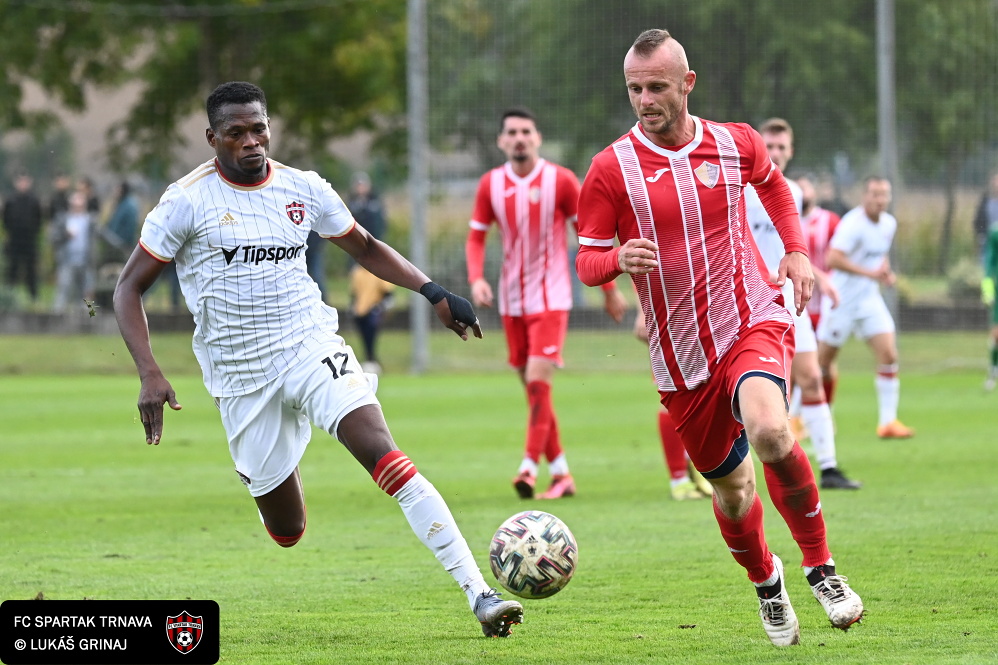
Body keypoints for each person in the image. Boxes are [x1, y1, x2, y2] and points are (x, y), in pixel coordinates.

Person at [113, 81, 523, 638]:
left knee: (383, 453)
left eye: (259, 128)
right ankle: (278, 453)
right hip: (240, 377)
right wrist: (150, 372)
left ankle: (479, 594)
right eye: (236, 133)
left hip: (310, 345)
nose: (251, 141)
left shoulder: (303, 187)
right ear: (212, 138)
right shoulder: (185, 201)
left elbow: (365, 246)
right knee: (288, 530)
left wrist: (433, 292)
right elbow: (128, 288)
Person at [575, 29, 863, 646]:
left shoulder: (734, 142)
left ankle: (822, 569)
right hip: (681, 359)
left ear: (688, 84)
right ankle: (767, 581)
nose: (645, 100)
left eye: (657, 87)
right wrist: (617, 258)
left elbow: (775, 186)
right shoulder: (609, 169)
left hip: (749, 319)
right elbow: (587, 260)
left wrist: (795, 250)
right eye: (634, 89)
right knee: (733, 494)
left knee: (770, 431)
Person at [465, 107, 627, 500]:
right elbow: (476, 238)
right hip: (511, 302)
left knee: (538, 384)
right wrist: (476, 279)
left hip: (552, 298)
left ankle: (528, 467)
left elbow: (589, 236)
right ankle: (561, 474)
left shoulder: (561, 180)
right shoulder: (490, 184)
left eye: (526, 131)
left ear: (537, 137)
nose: (519, 138)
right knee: (535, 392)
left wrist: (608, 290)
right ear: (501, 141)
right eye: (511, 132)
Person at [745, 120, 859, 491]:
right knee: (756, 393)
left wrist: (819, 277)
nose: (775, 153)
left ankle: (829, 467)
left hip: (789, 300)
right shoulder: (740, 188)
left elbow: (793, 248)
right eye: (769, 146)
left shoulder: (791, 191)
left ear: (791, 151)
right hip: (750, 303)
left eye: (782, 147)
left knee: (811, 377)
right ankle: (739, 474)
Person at [816, 176, 914, 439]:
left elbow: (878, 255)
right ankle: (813, 417)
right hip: (842, 300)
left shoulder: (889, 224)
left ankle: (888, 423)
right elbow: (832, 259)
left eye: (884, 194)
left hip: (869, 300)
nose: (880, 200)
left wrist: (885, 273)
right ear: (864, 196)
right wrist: (870, 274)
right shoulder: (852, 224)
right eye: (875, 194)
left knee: (889, 355)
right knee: (822, 363)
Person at [633, 307, 712, 501]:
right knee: (674, 394)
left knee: (707, 395)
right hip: (671, 313)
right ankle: (679, 479)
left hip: (710, 312)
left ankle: (699, 466)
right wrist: (642, 311)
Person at [346, 171, 391, 372]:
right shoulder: (352, 206)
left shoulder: (375, 205)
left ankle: (372, 358)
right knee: (360, 312)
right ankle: (369, 357)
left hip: (373, 256)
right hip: (357, 257)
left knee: (373, 314)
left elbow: (379, 228)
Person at [797, 174, 841, 332]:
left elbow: (841, 256)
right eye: (795, 189)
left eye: (803, 189)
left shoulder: (830, 220)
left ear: (814, 191)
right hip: (796, 301)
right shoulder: (781, 223)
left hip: (826, 299)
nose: (800, 194)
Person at [2, 173, 44, 303]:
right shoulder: (11, 200)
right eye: (20, 181)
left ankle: (33, 296)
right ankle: (9, 296)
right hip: (15, 239)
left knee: (30, 269)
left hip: (29, 239)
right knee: (12, 268)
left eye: (25, 181)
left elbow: (38, 219)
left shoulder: (34, 201)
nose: (23, 184)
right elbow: (5, 219)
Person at [52, 190, 96, 312]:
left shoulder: (90, 220)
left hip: (85, 261)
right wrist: (65, 235)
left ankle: (91, 314)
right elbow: (54, 238)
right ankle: (57, 315)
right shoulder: (63, 219)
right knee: (64, 288)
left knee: (86, 291)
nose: (78, 207)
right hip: (67, 260)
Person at [974, 171, 998, 312]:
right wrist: (981, 235)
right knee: (987, 271)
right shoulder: (986, 202)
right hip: (989, 244)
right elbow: (978, 222)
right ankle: (988, 296)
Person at [101, 180, 141, 263]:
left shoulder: (129, 205)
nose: (115, 191)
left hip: (121, 244)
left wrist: (125, 244)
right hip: (114, 242)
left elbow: (130, 227)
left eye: (117, 189)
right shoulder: (122, 203)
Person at [983, 197, 998, 391]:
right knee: (996, 334)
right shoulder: (995, 232)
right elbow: (989, 263)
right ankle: (993, 370)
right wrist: (987, 290)